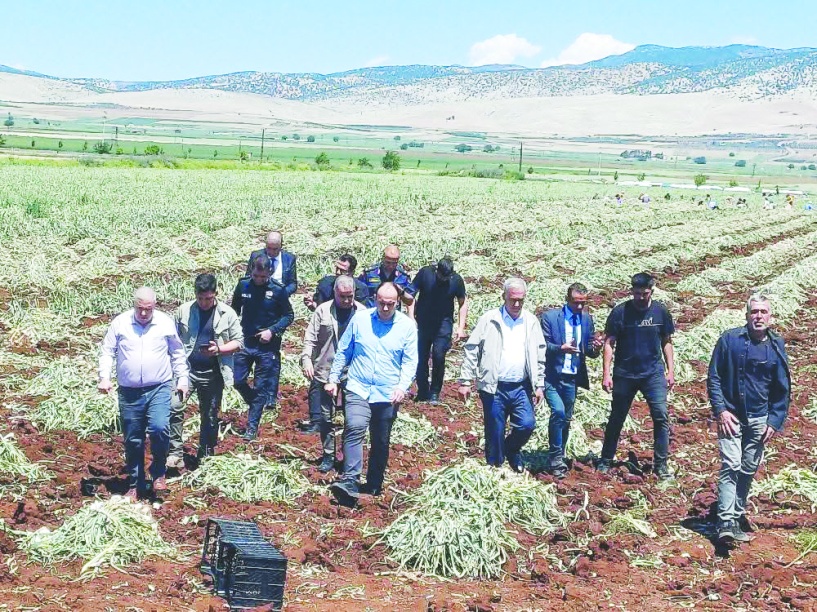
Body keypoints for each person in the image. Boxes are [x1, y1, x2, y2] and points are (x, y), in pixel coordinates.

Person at [325, 283, 418, 507]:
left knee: (381, 439)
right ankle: (350, 479)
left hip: (387, 393)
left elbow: (410, 361)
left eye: (390, 304)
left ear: (397, 303)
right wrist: (333, 379)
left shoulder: (407, 327)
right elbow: (344, 350)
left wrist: (402, 387)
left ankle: (374, 482)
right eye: (381, 303)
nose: (385, 308)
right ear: (375, 299)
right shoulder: (360, 319)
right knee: (354, 427)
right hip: (358, 386)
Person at [707, 294, 790, 544]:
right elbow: (714, 377)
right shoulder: (729, 339)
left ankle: (736, 515)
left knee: (748, 468)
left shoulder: (776, 345)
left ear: (770, 317)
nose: (759, 316)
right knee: (731, 464)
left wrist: (774, 421)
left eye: (763, 312)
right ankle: (725, 522)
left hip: (759, 419)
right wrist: (721, 411)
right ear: (747, 315)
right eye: (754, 311)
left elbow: (782, 387)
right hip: (731, 416)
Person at [98, 287, 189, 498]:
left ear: (155, 305)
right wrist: (104, 377)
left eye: (149, 309)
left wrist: (182, 379)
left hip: (159, 387)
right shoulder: (120, 323)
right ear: (134, 305)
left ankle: (158, 473)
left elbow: (177, 352)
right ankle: (135, 483)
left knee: (159, 428)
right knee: (133, 438)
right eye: (140, 308)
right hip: (129, 392)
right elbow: (107, 351)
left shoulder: (164, 323)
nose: (144, 313)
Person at [458, 278, 546, 472]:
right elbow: (472, 349)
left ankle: (511, 449)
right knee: (495, 430)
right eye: (513, 299)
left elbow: (540, 354)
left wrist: (539, 384)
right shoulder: (489, 319)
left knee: (527, 424)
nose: (517, 304)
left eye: (521, 300)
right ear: (503, 297)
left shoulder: (531, 321)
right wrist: (465, 380)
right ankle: (495, 467)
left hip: (521, 386)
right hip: (494, 386)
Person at [598, 272, 676, 479]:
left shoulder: (660, 312)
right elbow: (609, 343)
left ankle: (661, 464)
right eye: (637, 293)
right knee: (617, 417)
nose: (641, 297)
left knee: (661, 416)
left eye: (645, 293)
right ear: (631, 291)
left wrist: (671, 371)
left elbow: (666, 341)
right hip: (625, 373)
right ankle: (605, 459)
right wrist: (606, 373)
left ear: (652, 291)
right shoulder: (620, 312)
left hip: (653, 373)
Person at [167, 273, 244, 467]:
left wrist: (219, 350)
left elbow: (238, 342)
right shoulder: (183, 311)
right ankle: (175, 452)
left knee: (209, 415)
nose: (204, 303)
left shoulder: (227, 314)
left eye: (208, 298)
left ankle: (205, 453)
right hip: (186, 371)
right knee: (174, 407)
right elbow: (171, 339)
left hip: (214, 373)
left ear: (216, 293)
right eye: (200, 298)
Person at [299, 276, 366, 468]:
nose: (346, 300)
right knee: (326, 417)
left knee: (352, 418)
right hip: (326, 369)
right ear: (335, 292)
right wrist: (306, 359)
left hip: (353, 372)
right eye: (342, 296)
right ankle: (328, 455)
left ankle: (348, 455)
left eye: (350, 296)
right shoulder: (322, 311)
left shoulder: (362, 313)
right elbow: (310, 338)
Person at [540, 283, 603, 478]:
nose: (580, 307)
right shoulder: (550, 318)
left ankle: (559, 454)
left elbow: (589, 350)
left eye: (583, 303)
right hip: (552, 376)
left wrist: (596, 347)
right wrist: (561, 348)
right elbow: (542, 346)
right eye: (576, 303)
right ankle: (555, 458)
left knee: (566, 418)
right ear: (567, 300)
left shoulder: (586, 319)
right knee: (558, 412)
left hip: (572, 377)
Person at [232, 254, 294, 440]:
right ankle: (255, 403)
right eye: (256, 276)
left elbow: (288, 315)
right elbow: (234, 311)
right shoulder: (243, 285)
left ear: (270, 273)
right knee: (238, 381)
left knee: (260, 386)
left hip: (266, 345)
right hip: (246, 341)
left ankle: (251, 428)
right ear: (251, 271)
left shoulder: (277, 290)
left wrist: (272, 331)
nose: (259, 280)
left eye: (263, 277)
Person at [409, 257, 468, 404]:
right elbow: (410, 296)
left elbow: (463, 302)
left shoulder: (456, 280)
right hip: (423, 321)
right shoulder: (425, 274)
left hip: (443, 324)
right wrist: (411, 317)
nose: (444, 280)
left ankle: (435, 392)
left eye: (447, 277)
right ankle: (423, 390)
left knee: (439, 355)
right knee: (421, 357)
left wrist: (460, 327)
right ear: (437, 271)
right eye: (442, 277)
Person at [358, 245, 414, 314]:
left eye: (394, 263)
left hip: (393, 314)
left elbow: (410, 301)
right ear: (383, 259)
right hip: (371, 313)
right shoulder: (370, 273)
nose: (391, 266)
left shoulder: (403, 276)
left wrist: (401, 292)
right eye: (388, 262)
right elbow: (358, 293)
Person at [304, 254, 369, 311]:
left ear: (352, 272)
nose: (338, 272)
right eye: (337, 268)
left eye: (342, 270)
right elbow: (319, 309)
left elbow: (362, 312)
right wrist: (312, 305)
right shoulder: (324, 284)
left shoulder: (361, 289)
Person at [246, 231, 298, 297]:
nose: (271, 252)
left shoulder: (289, 259)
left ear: (281, 246)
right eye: (269, 248)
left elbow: (293, 284)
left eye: (275, 249)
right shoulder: (256, 256)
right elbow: (248, 278)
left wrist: (282, 293)